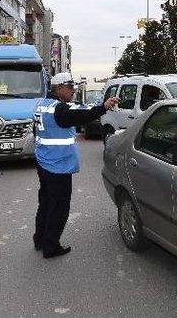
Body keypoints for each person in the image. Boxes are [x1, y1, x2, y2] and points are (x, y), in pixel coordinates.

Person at [33, 72, 119, 258]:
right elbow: (82, 116)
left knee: (46, 202)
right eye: (70, 87)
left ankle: (39, 239)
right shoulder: (60, 110)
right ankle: (51, 246)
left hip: (43, 161)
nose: (73, 91)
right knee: (59, 207)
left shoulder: (42, 105)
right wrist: (103, 107)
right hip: (58, 165)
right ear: (59, 88)